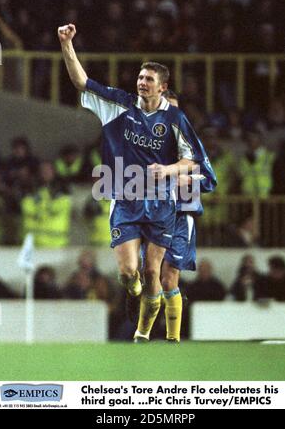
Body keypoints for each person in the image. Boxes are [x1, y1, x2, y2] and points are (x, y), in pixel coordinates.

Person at [58, 23, 207, 342]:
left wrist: (169, 173)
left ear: (162, 88)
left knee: (158, 272)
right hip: (125, 199)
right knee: (129, 272)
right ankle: (133, 289)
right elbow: (80, 81)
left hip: (162, 204)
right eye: (139, 77)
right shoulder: (118, 105)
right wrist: (67, 44)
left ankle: (157, 336)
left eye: (148, 79)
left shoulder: (175, 121)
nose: (141, 81)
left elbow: (194, 161)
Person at [140, 90, 217, 342]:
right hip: (152, 218)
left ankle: (173, 339)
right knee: (149, 275)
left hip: (182, 217)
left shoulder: (191, 145)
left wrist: (186, 178)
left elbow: (210, 180)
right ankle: (143, 333)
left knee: (169, 276)